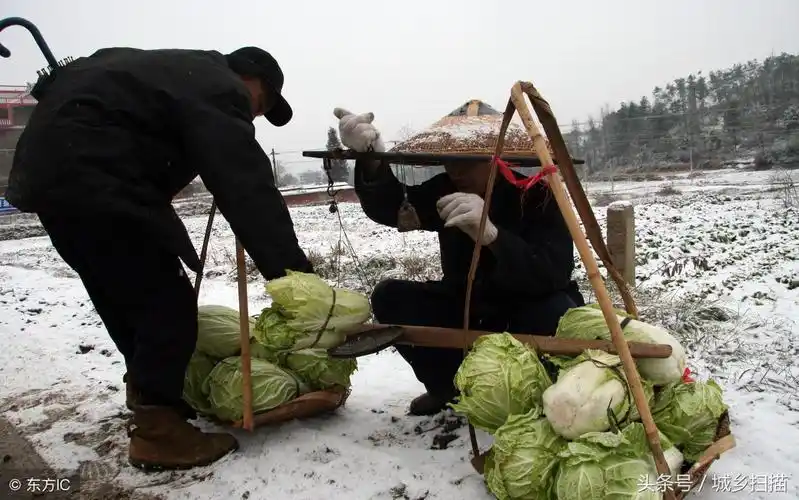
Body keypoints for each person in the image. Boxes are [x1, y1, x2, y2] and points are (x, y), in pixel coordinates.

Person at [6, 46, 315, 470]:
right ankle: (158, 434)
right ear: (250, 79)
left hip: (47, 178)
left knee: (121, 295)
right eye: (260, 105)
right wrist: (294, 276)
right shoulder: (219, 86)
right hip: (97, 175)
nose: (253, 116)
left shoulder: (168, 71)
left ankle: (150, 399)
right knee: (166, 303)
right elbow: (247, 186)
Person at [334, 108, 585, 416]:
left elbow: (553, 271)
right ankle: (446, 387)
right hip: (467, 303)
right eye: (450, 160)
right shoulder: (444, 189)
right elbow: (393, 206)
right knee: (391, 296)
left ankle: (545, 396)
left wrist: (494, 237)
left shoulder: (537, 195)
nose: (456, 170)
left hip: (526, 304)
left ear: (496, 159)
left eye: (467, 161)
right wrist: (371, 160)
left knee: (559, 311)